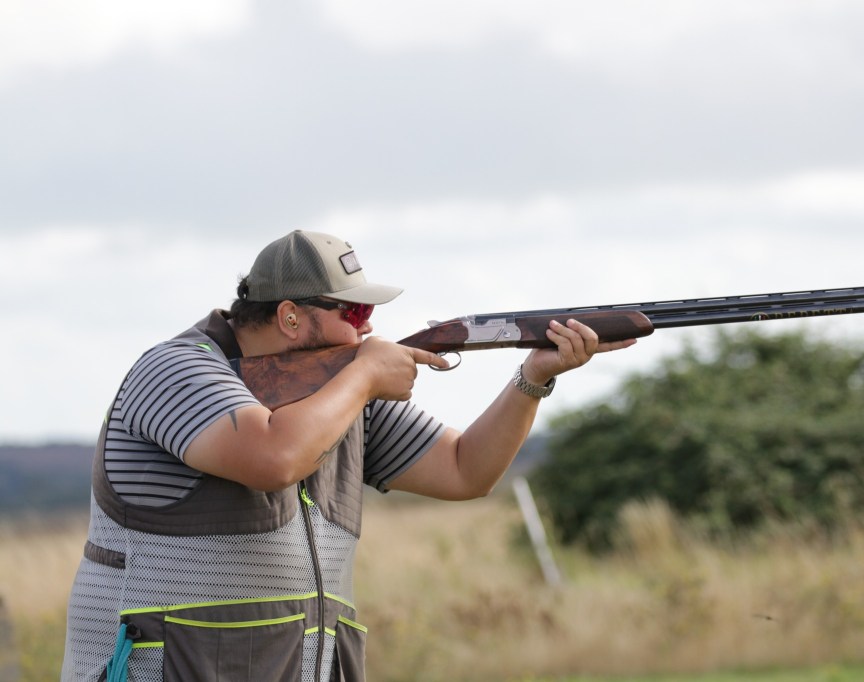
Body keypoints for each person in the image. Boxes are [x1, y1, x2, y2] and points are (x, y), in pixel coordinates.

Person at [61, 229, 636, 681]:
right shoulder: (175, 370)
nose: (369, 329)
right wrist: (363, 376)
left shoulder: (340, 395)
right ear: (290, 317)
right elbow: (275, 459)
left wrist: (533, 377)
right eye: (354, 314)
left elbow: (465, 470)